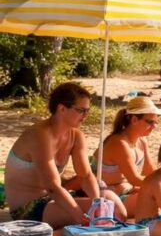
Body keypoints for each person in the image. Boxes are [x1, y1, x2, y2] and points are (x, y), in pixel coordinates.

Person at [4, 83, 126, 226]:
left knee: (111, 203)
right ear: (61, 108)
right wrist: (82, 218)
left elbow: (86, 175)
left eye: (88, 110)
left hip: (55, 198)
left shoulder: (75, 135)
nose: (85, 115)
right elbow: (52, 187)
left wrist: (97, 201)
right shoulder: (39, 135)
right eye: (81, 110)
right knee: (105, 216)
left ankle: (64, 232)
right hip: (28, 208)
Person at [88, 96, 161, 216]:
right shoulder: (119, 143)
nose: (154, 126)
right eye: (150, 122)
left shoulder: (141, 141)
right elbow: (135, 179)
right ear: (134, 119)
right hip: (109, 198)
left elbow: (150, 172)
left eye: (156, 122)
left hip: (125, 191)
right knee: (157, 200)